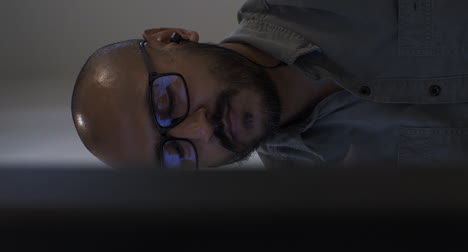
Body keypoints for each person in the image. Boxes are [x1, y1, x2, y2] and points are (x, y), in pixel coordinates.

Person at [72, 0, 468, 169]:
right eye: (175, 153)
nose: (201, 128)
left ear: (170, 36)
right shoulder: (336, 202)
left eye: (167, 103)